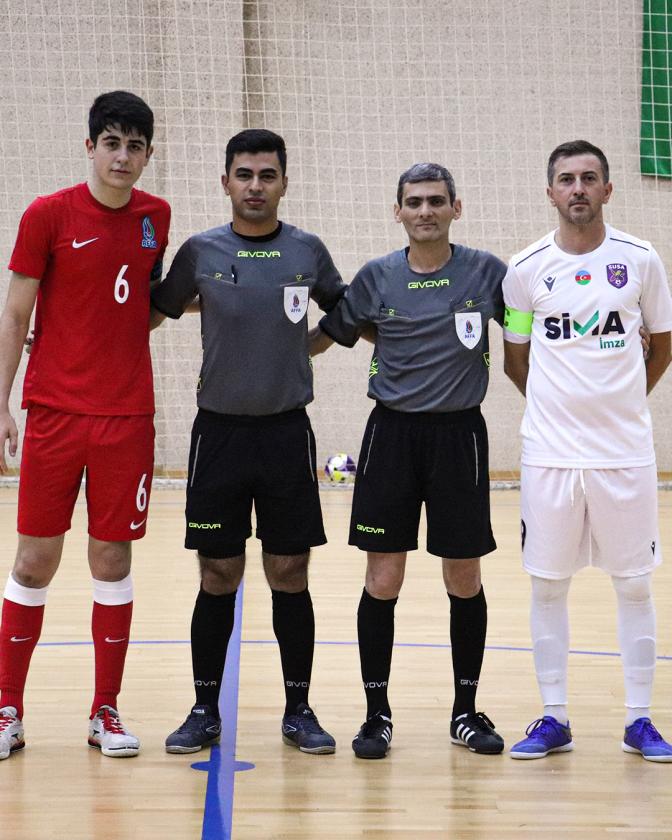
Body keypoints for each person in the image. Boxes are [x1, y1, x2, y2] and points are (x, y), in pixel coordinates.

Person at [151, 129, 344, 755]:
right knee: (218, 572)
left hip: (286, 433)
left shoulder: (307, 251)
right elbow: (151, 311)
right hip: (219, 436)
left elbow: (344, 311)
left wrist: (308, 347)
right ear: (225, 182)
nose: (255, 186)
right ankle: (203, 708)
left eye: (266, 175)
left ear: (284, 182)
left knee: (289, 571)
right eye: (244, 174)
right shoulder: (199, 251)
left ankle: (299, 709)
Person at [310, 163, 506, 759]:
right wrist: (259, 344)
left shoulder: (488, 273)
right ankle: (377, 715)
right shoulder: (376, 276)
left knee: (464, 577)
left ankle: (465, 711)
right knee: (383, 578)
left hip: (460, 437)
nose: (425, 211)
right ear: (397, 211)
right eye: (414, 202)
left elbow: (536, 329)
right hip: (391, 436)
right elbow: (327, 335)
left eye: (436, 201)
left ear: (456, 208)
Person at [0, 91, 171, 760]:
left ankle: (105, 709)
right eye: (112, 143)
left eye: (135, 146)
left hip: (126, 416)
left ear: (147, 155)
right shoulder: (46, 215)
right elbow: (15, 315)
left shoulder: (156, 217)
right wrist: (2, 403)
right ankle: (7, 707)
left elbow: (141, 304)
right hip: (54, 412)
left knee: (112, 557)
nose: (122, 156)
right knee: (34, 560)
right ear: (90, 146)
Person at [503, 140, 672, 761]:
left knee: (634, 585)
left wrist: (620, 401)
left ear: (607, 189)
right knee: (548, 586)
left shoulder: (641, 259)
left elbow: (662, 343)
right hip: (549, 455)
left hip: (624, 453)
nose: (578, 188)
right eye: (567, 179)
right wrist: (558, 410)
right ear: (550, 192)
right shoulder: (524, 269)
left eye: (589, 178)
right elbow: (516, 359)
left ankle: (639, 720)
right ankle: (554, 717)